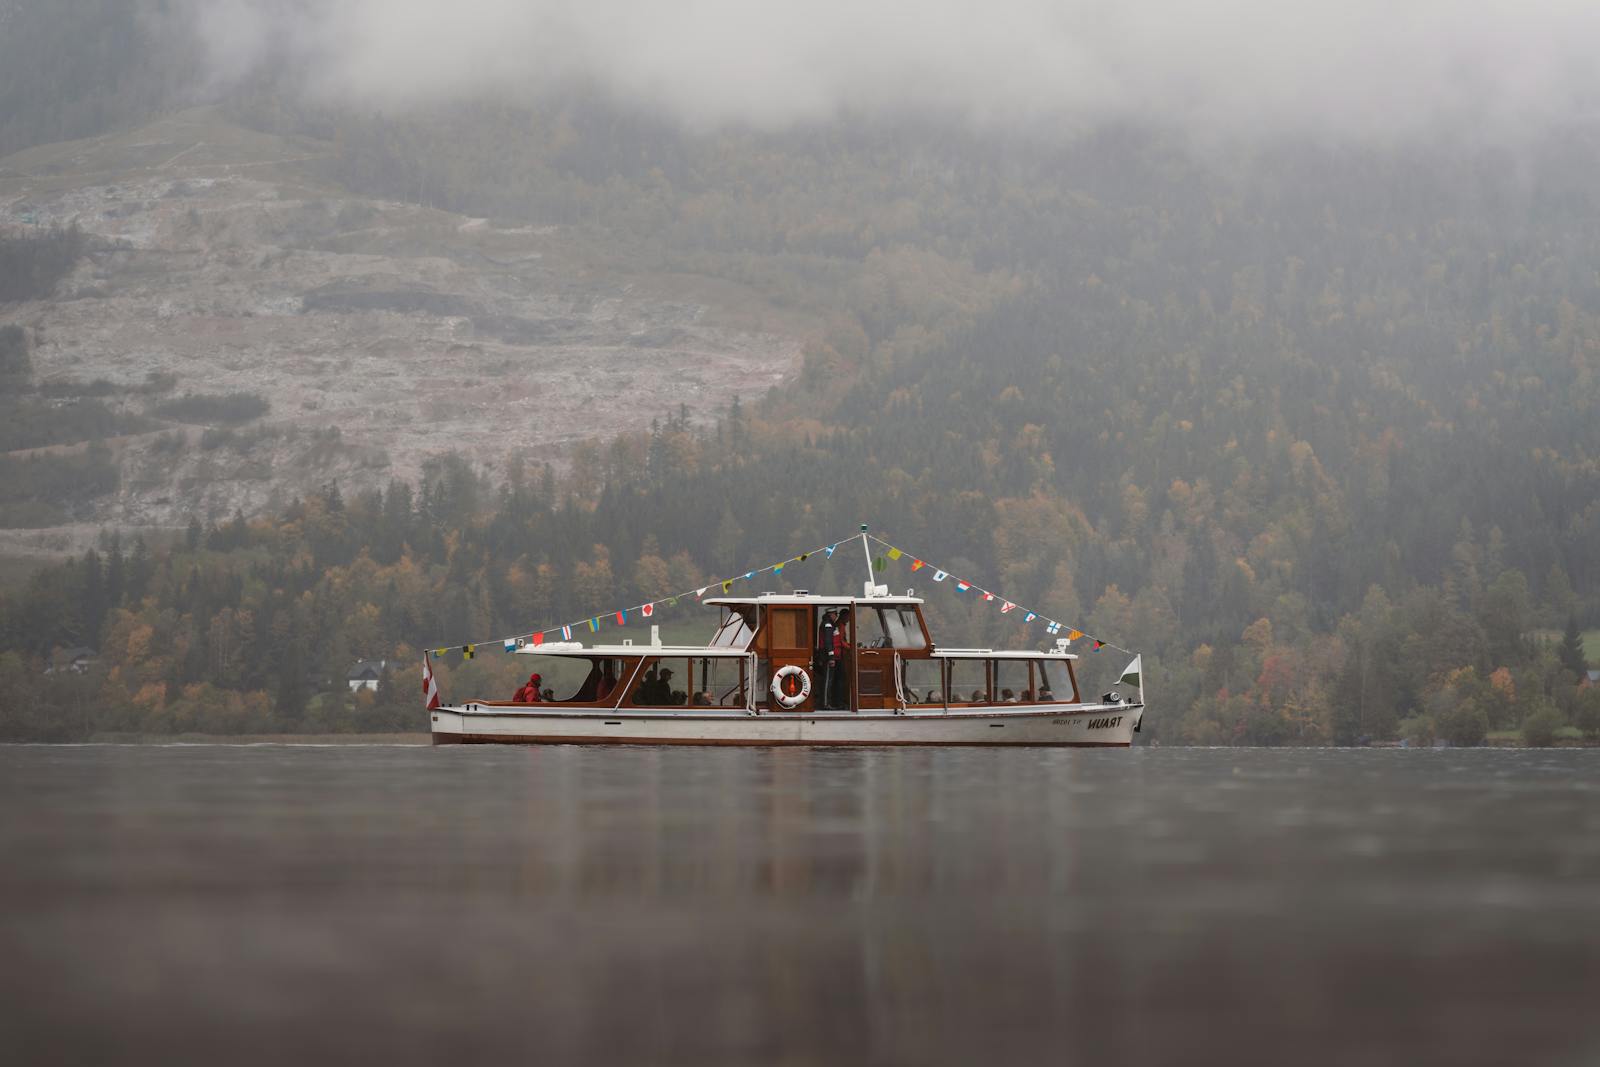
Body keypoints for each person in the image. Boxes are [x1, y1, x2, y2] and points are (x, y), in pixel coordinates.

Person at [814, 609, 838, 710]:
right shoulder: (828, 625)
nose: (836, 616)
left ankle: (826, 702)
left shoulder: (828, 623)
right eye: (835, 614)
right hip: (827, 657)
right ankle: (825, 704)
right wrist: (831, 657)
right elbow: (828, 642)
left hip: (825, 656)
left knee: (828, 680)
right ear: (831, 614)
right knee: (827, 680)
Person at [831, 608, 852, 709]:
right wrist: (850, 647)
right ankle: (839, 702)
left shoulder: (841, 624)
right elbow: (840, 641)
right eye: (848, 617)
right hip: (839, 656)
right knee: (840, 679)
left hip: (840, 655)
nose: (849, 619)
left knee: (840, 679)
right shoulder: (840, 625)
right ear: (844, 616)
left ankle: (840, 701)